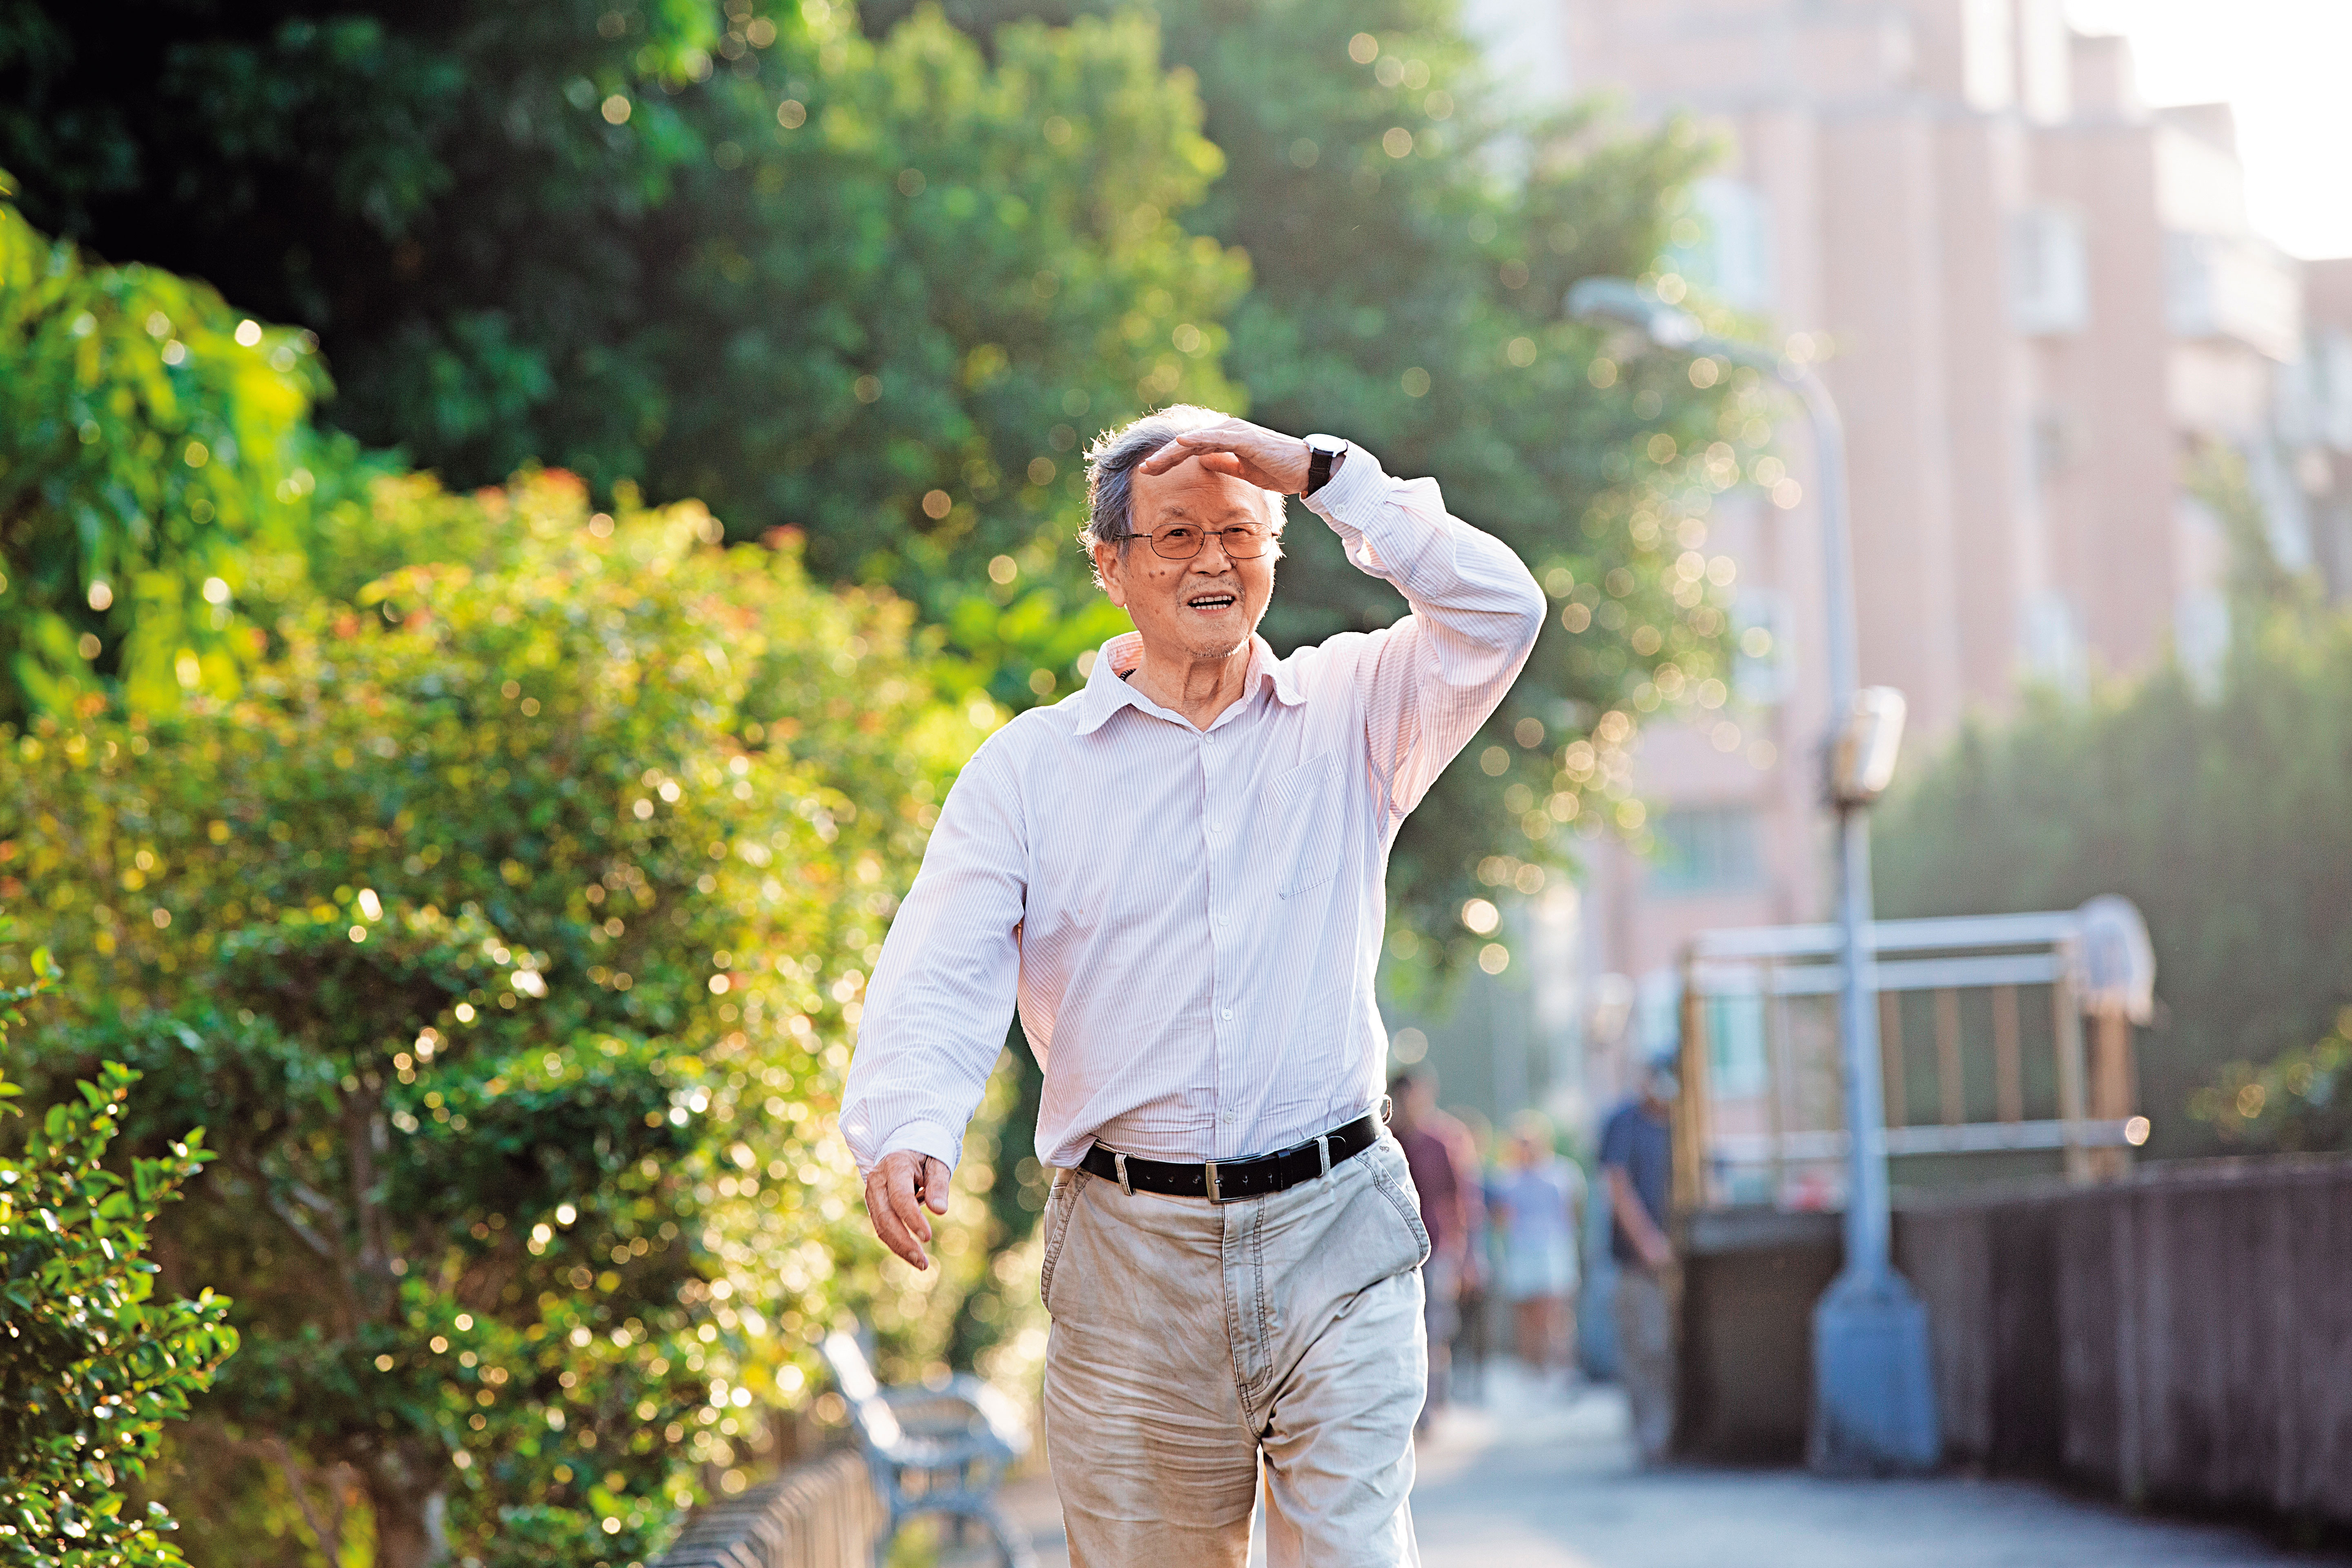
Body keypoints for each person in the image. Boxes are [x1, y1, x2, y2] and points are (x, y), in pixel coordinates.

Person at [841, 405, 1544, 1568]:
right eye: (1175, 536)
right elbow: (943, 958)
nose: (1212, 560)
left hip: (1335, 1227)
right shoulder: (1028, 771)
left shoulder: (1355, 707)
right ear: (1110, 565)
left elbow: (1501, 611)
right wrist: (909, 1119)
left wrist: (1320, 472)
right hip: (1131, 1257)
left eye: (1240, 531)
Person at [1388, 1069, 1486, 1430]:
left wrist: (1471, 1256)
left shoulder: (1445, 1139)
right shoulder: (1388, 1140)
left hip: (1438, 1248)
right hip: (1394, 1250)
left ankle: (1430, 1406)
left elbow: (1466, 1200)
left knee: (1434, 1327)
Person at [1599, 1059, 1678, 1464]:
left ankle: (1672, 1436)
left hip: (1677, 1258)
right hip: (1637, 1264)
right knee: (1646, 1348)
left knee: (1666, 1350)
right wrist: (1648, 1242)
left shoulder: (1681, 1123)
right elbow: (1616, 1185)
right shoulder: (1624, 1123)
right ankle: (1652, 1438)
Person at [1491, 1118, 1585, 1382]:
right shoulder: (1507, 1180)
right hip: (1523, 1251)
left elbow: (1574, 1211)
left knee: (1556, 1313)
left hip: (1553, 1249)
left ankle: (1561, 1369)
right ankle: (1532, 1371)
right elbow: (1501, 1218)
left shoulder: (1562, 1174)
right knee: (1527, 1313)